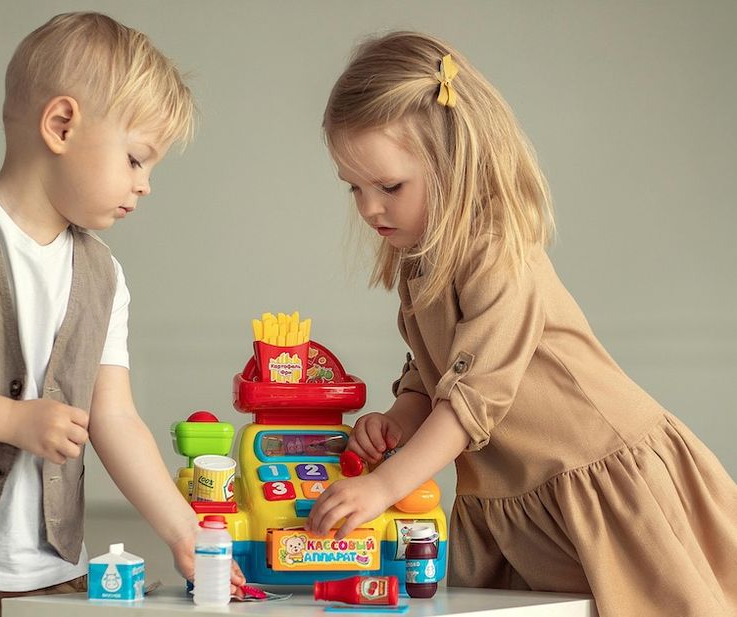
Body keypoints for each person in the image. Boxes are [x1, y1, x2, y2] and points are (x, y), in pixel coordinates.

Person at [304, 31, 736, 617]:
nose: (368, 208)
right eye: (353, 188)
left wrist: (386, 485)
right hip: (516, 493)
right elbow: (433, 371)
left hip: (594, 475)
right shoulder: (421, 260)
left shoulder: (495, 251)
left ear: (451, 164)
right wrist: (399, 419)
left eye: (389, 186)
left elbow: (473, 395)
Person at [0, 12, 242, 616]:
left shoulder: (103, 275)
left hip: (48, 560)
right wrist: (12, 420)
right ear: (60, 125)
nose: (145, 186)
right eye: (137, 159)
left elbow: (115, 417)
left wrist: (183, 530)